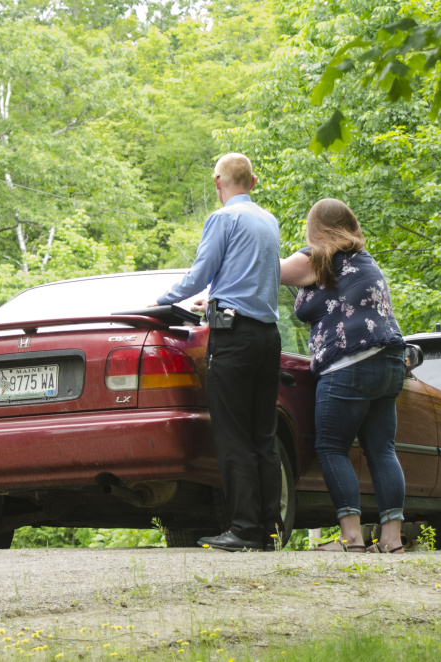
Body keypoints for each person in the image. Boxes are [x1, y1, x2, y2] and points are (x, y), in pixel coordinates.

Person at [154, 153, 283, 552]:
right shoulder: (269, 221)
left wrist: (159, 302)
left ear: (217, 183)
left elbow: (201, 272)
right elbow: (247, 276)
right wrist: (212, 300)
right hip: (268, 336)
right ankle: (269, 530)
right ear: (254, 182)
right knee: (264, 434)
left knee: (232, 434)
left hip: (234, 337)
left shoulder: (223, 219)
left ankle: (243, 529)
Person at [280, 198, 407, 554]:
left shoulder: (318, 260)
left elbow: (269, 270)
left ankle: (352, 538)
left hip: (348, 364)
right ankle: (391, 539)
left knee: (331, 447)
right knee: (382, 449)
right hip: (389, 361)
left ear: (315, 229)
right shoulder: (366, 261)